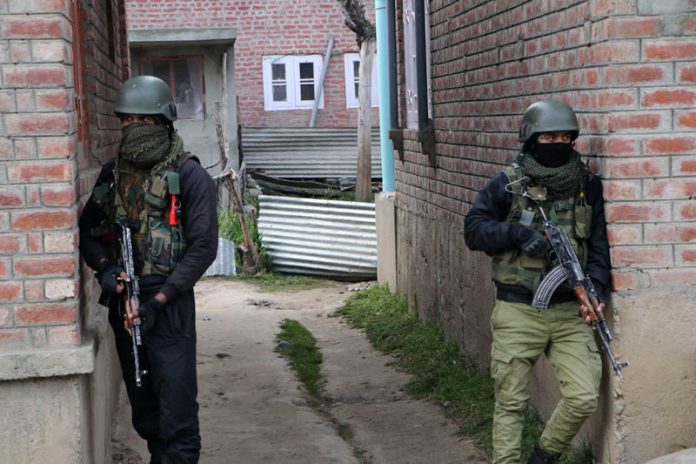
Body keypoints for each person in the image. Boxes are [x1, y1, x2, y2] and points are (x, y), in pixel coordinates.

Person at [79, 75, 218, 463]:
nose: (132, 129)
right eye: (126, 122)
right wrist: (106, 270)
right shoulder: (113, 173)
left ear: (163, 122)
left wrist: (159, 299)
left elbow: (204, 247)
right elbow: (88, 229)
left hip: (167, 305)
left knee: (177, 414)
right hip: (125, 304)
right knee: (146, 411)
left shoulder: (189, 176)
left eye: (142, 122)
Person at [464, 100, 611, 464]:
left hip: (569, 313)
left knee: (583, 397)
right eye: (549, 137)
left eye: (565, 137)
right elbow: (473, 230)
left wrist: (595, 289)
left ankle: (542, 458)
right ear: (531, 140)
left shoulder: (586, 186)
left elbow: (598, 247)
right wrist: (515, 234)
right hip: (518, 309)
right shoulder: (508, 184)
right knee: (511, 400)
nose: (558, 143)